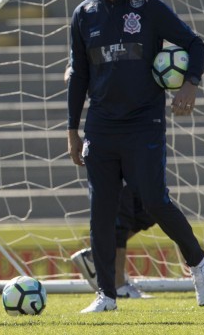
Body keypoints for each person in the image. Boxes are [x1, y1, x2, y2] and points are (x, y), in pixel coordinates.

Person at [67, 0, 204, 313]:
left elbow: (196, 44)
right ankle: (106, 294)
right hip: (101, 127)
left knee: (154, 200)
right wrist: (73, 129)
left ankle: (199, 263)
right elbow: (80, 76)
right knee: (101, 211)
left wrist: (190, 84)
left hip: (143, 123)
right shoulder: (84, 14)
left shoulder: (148, 8)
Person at [65, 65, 155, 299]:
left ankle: (96, 256)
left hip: (137, 132)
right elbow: (73, 72)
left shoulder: (141, 35)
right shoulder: (94, 34)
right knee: (120, 216)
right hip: (109, 136)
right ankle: (118, 284)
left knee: (150, 208)